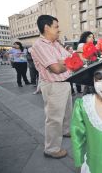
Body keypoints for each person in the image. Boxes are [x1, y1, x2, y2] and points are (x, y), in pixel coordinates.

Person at [31, 15, 72, 159]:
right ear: (46, 27)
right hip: (53, 85)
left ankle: (66, 131)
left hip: (65, 82)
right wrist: (64, 62)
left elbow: (70, 58)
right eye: (56, 27)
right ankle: (51, 149)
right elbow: (56, 68)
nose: (58, 30)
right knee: (54, 118)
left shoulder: (55, 43)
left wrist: (64, 61)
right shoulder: (39, 45)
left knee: (67, 112)